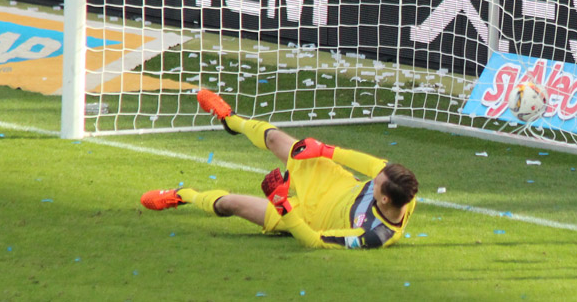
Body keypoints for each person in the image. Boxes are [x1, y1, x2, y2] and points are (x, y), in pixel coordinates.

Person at [140, 90, 419, 249]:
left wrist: (282, 203)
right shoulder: (400, 185)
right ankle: (231, 120)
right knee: (279, 140)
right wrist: (323, 150)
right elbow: (369, 164)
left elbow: (314, 242)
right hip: (332, 183)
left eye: (376, 182)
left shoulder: (374, 235)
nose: (375, 176)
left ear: (384, 199)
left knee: (230, 204)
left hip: (308, 219)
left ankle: (182, 195)